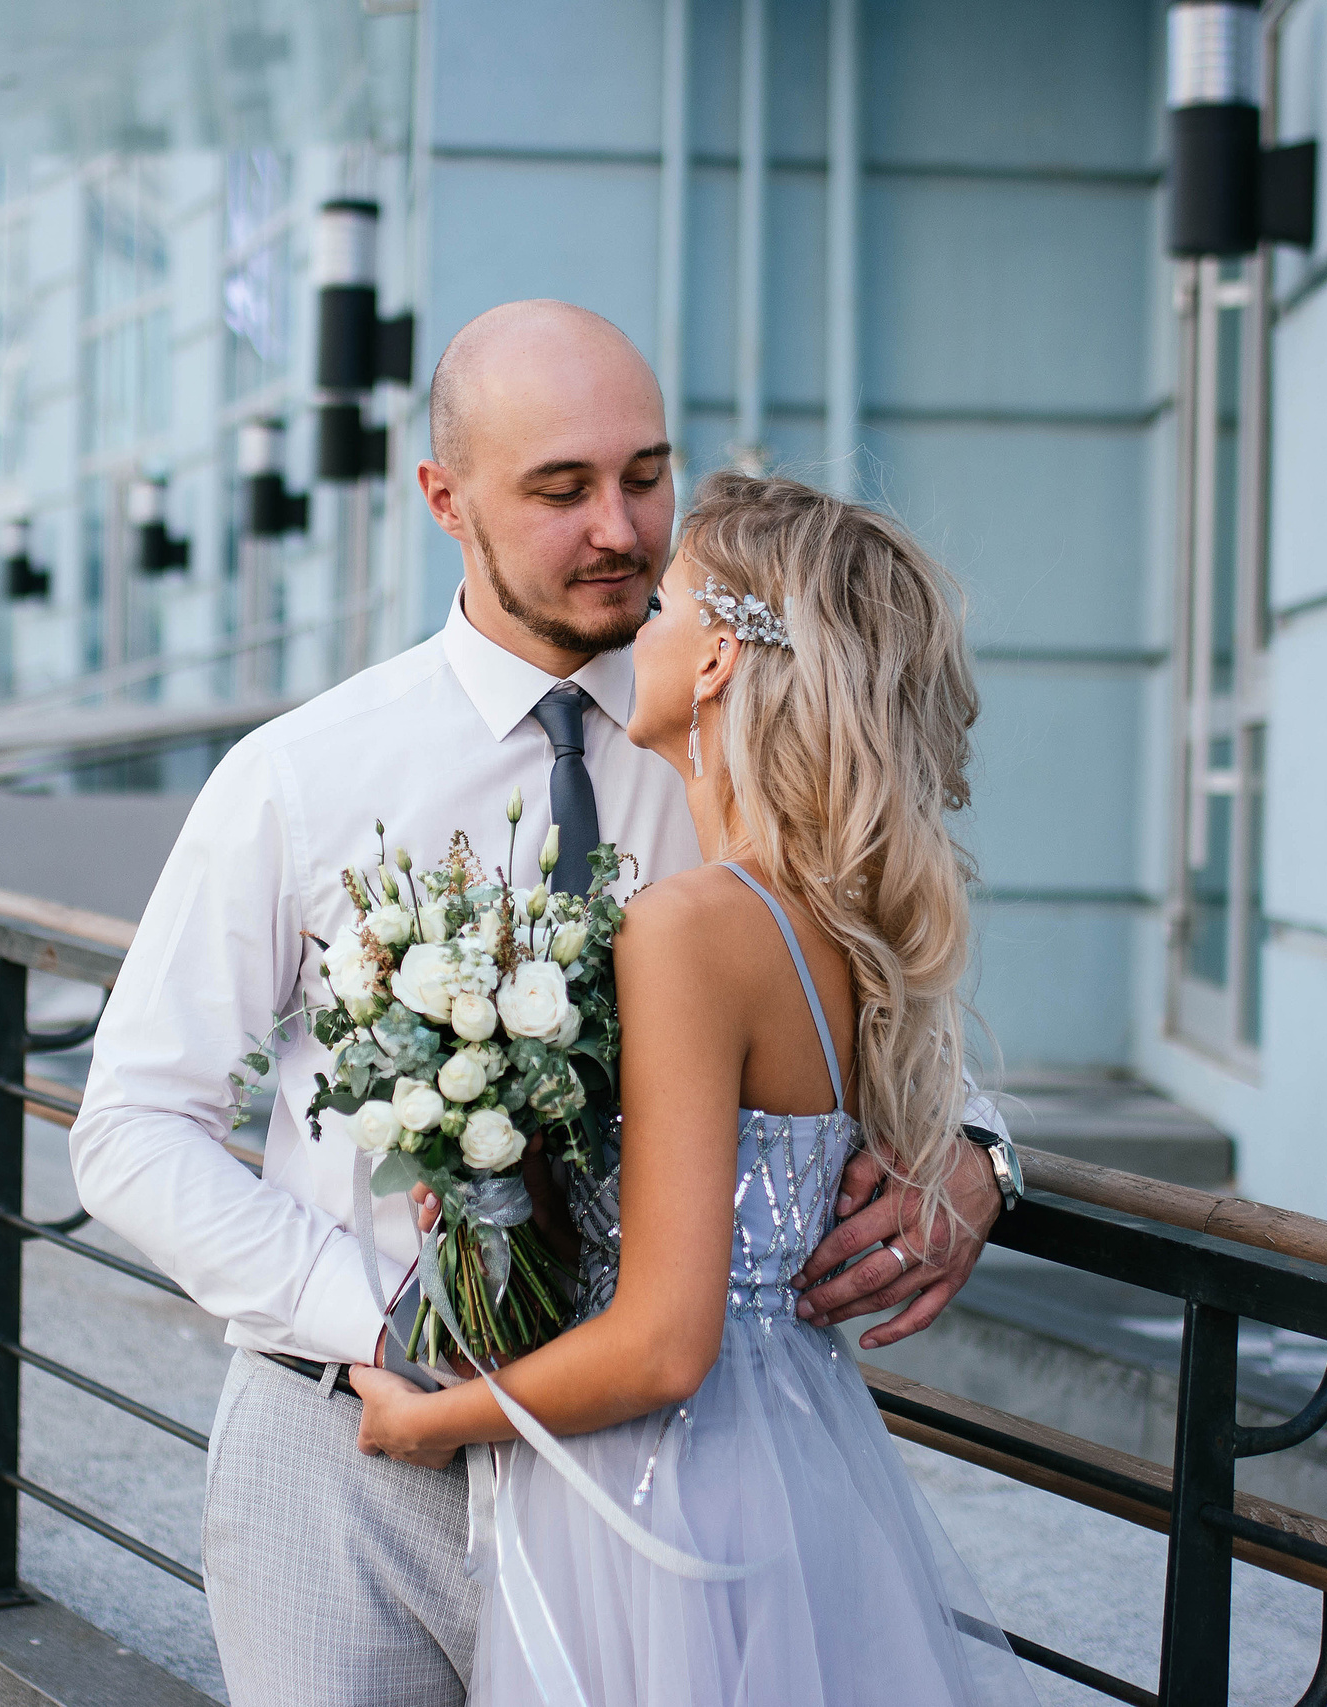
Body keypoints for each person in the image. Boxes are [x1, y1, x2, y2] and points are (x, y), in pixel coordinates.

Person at [69, 301, 1009, 1706]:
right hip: (351, 1458)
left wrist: (981, 1153)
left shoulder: (745, 734)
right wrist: (395, 1317)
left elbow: (869, 977)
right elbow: (134, 1123)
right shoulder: (301, 773)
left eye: (645, 473)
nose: (621, 529)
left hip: (672, 1471)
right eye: (561, 489)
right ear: (447, 499)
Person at [347, 469, 1036, 1706]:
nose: (630, 624)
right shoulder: (821, 916)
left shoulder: (689, 927)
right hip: (791, 1450)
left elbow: (666, 1343)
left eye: (659, 602)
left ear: (717, 658)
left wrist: (426, 1422)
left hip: (660, 1484)